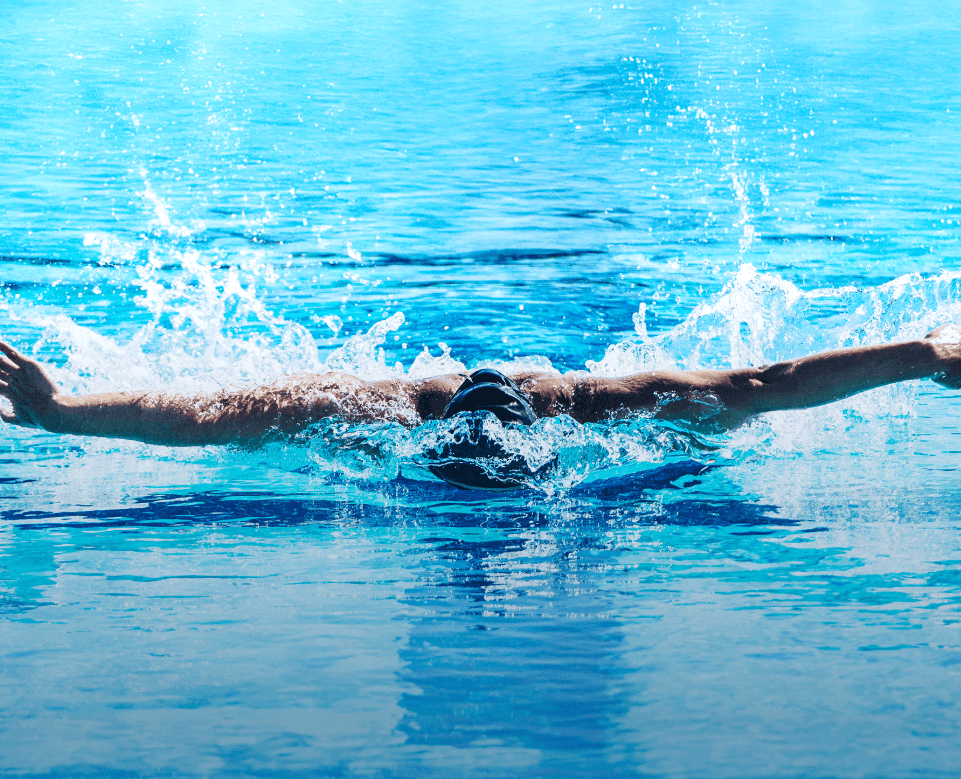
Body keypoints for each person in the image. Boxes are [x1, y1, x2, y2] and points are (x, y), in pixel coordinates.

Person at [1, 326, 961, 486]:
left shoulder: (387, 410)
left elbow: (204, 418)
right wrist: (924, 354)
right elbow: (770, 386)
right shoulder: (588, 413)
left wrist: (64, 412)